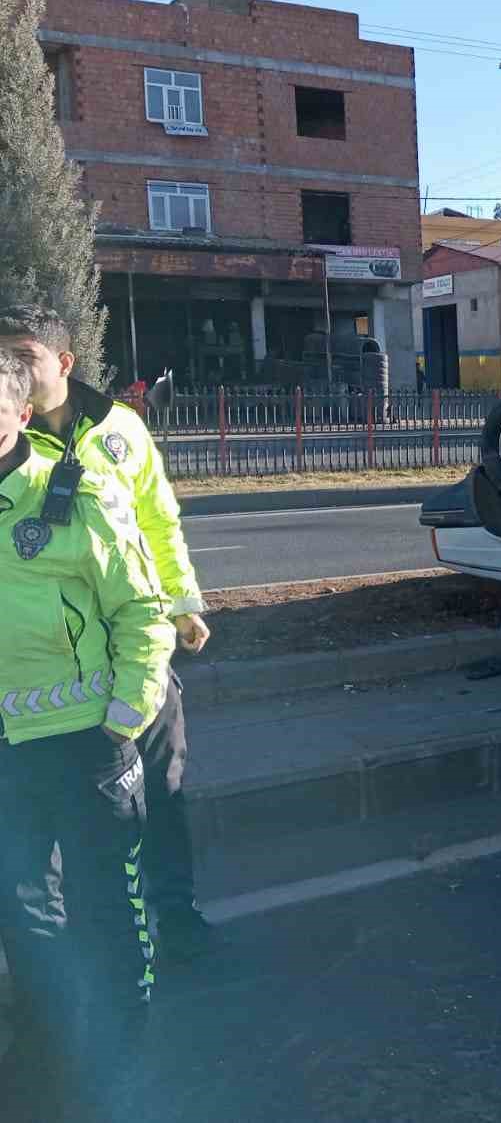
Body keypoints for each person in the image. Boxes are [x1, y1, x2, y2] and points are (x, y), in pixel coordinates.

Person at [0, 305, 213, 957]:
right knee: (65, 828)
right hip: (60, 682)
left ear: (63, 362)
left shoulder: (121, 428)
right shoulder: (12, 439)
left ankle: (175, 920)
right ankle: (81, 959)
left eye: (24, 356)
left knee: (162, 793)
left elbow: (157, 519)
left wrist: (181, 604)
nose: (13, 369)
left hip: (136, 647)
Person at [0, 348, 174, 1119]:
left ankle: (125, 1037)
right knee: (23, 909)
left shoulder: (73, 494)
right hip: (6, 753)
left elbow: (142, 609)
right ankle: (44, 1048)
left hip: (83, 741)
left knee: (109, 897)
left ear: (21, 412)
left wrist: (126, 719)